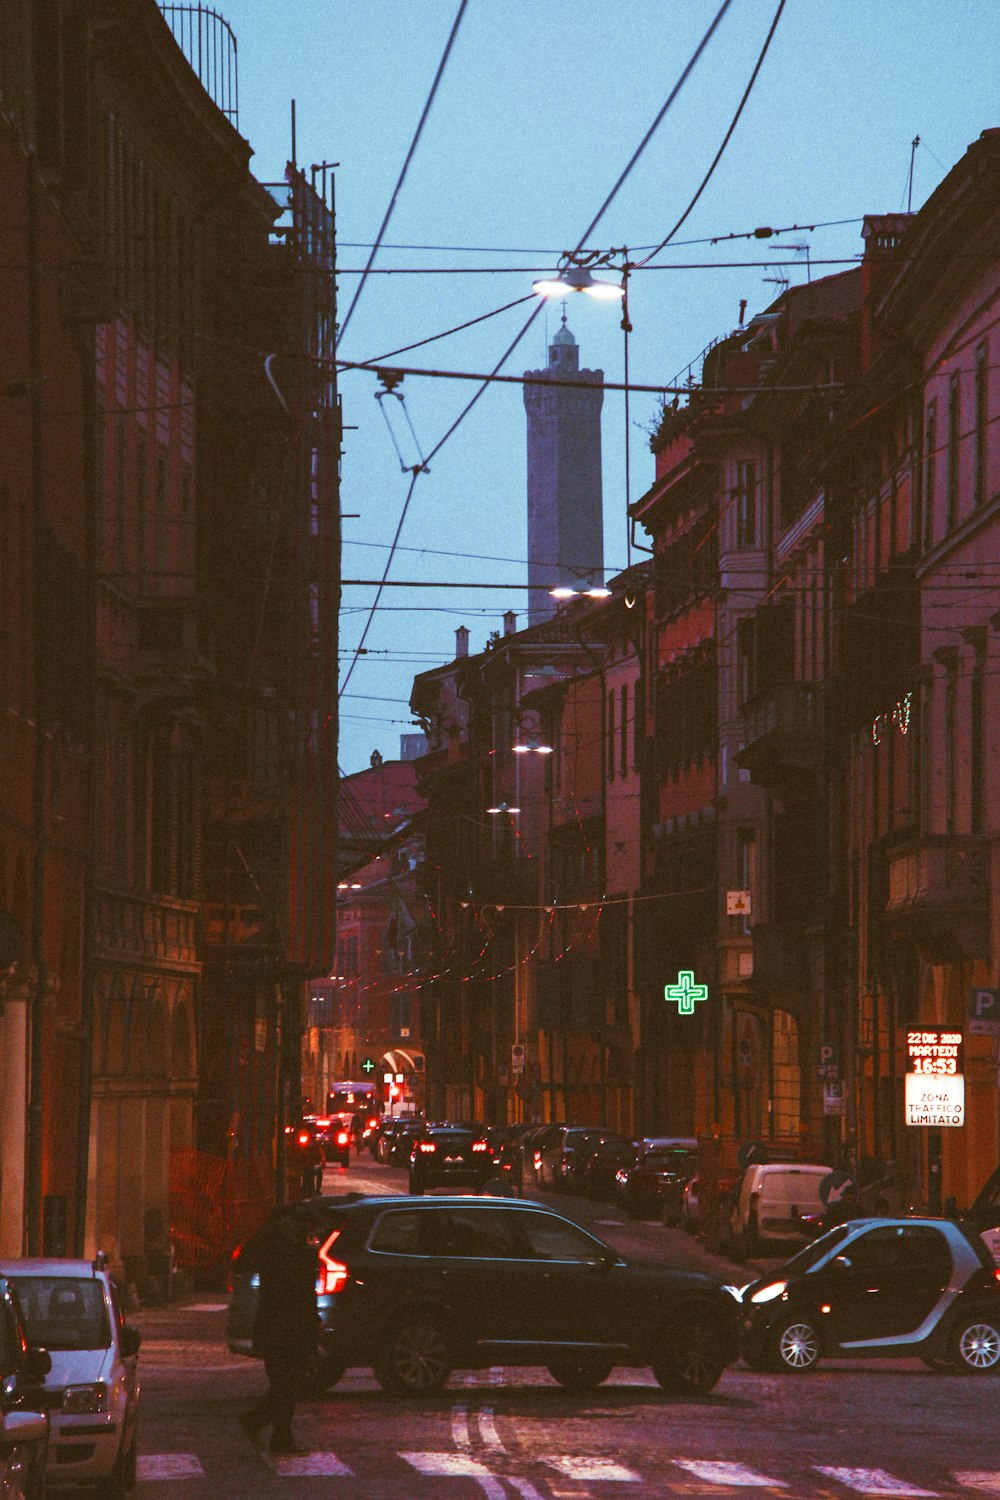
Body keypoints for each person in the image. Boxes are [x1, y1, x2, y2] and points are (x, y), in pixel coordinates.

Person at [240, 1212, 319, 1456]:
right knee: (287, 1385)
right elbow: (298, 1289)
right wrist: (309, 1256)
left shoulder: (274, 1250)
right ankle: (272, 1432)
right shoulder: (285, 1253)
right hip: (287, 1328)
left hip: (279, 1328)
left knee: (284, 1385)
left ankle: (273, 1431)